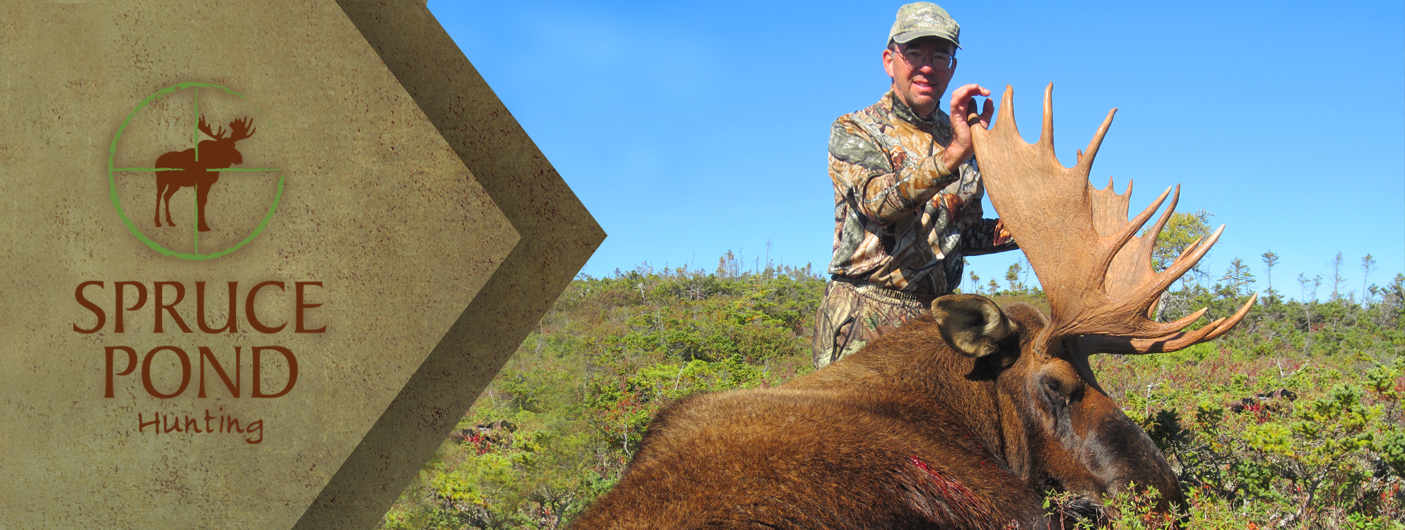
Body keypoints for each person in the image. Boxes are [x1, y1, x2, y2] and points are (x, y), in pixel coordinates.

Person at [812, 2, 1018, 369]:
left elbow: (963, 234)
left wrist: (1037, 226)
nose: (927, 66)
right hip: (864, 313)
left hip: (937, 323)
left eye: (940, 55)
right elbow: (878, 203)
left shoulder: (967, 140)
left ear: (952, 68)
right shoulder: (855, 129)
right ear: (889, 61)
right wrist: (954, 153)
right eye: (914, 53)